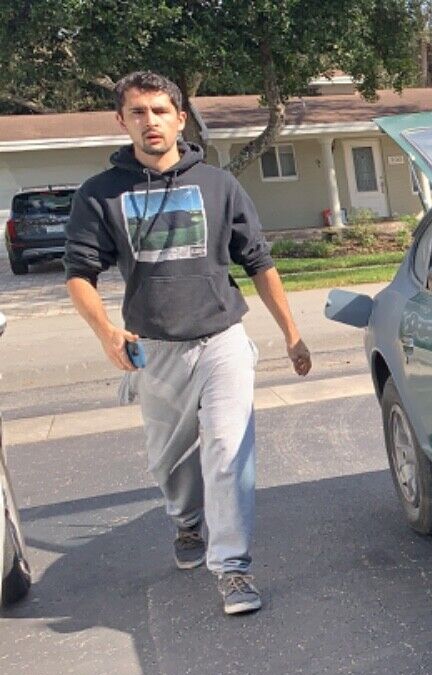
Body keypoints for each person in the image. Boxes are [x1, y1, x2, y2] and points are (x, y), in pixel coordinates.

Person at [64, 71, 312, 615]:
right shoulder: (101, 194)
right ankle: (187, 523)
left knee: (227, 452)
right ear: (122, 121)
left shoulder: (220, 186)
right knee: (169, 465)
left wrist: (292, 333)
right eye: (138, 112)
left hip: (222, 338)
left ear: (180, 118)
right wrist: (106, 331)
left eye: (159, 110)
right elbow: (79, 273)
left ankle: (233, 569)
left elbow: (259, 262)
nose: (150, 121)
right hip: (154, 350)